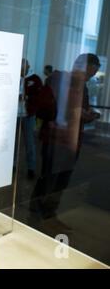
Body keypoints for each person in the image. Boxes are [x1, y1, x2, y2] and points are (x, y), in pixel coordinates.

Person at [30, 53, 101, 221]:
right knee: (49, 177)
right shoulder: (60, 80)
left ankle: (48, 214)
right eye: (88, 73)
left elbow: (80, 109)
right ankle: (37, 213)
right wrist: (84, 114)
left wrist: (87, 113)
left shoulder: (80, 86)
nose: (88, 78)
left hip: (71, 140)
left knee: (61, 179)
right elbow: (68, 110)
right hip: (55, 139)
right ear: (79, 66)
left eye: (91, 75)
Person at [20, 59, 43, 179]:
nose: (22, 69)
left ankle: (31, 168)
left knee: (29, 142)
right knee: (12, 143)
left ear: (28, 66)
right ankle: (11, 165)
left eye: (24, 66)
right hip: (15, 115)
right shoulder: (15, 77)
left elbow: (39, 97)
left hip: (29, 115)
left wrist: (26, 97)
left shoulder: (35, 79)